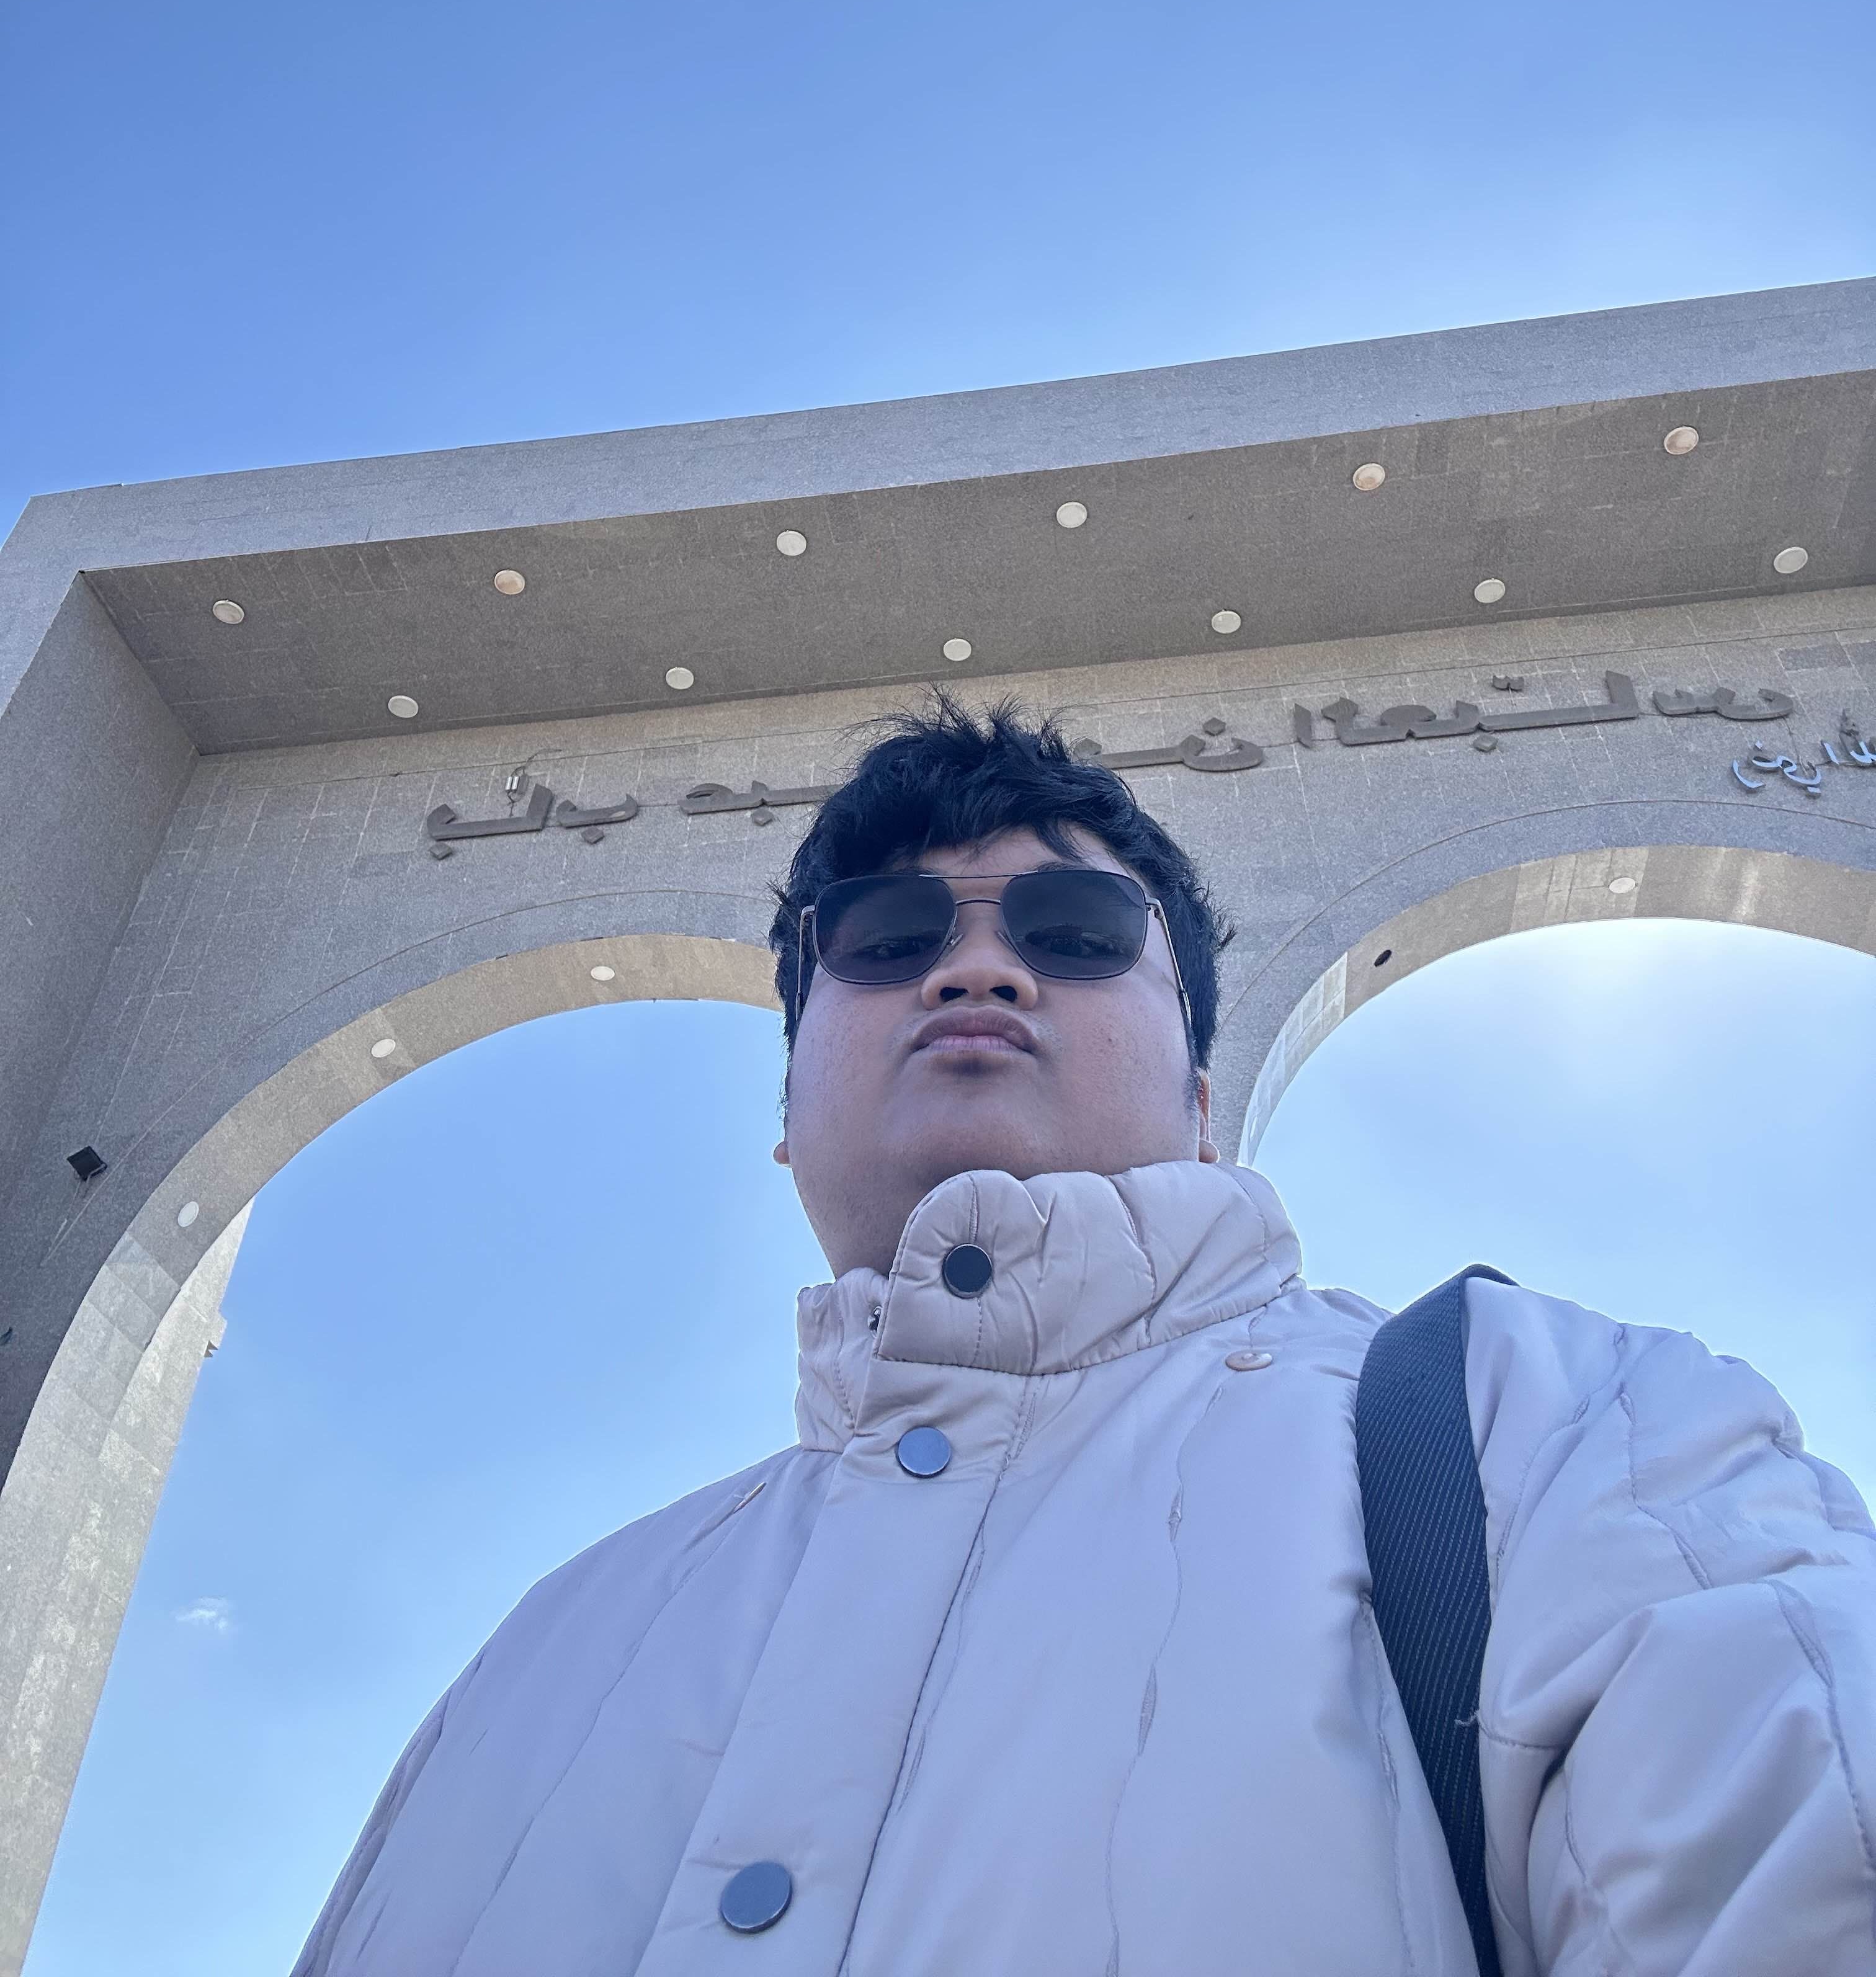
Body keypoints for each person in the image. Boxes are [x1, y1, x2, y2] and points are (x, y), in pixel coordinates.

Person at [294, 703, 1876, 1976]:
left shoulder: (1542, 1429)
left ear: (1204, 1101)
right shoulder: (560, 1638)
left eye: (1075, 930)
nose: (977, 967)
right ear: (783, 1111)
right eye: (887, 936)